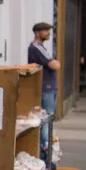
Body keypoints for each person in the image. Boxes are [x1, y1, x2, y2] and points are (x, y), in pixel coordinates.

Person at [27, 22, 60, 158]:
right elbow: (54, 65)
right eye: (45, 30)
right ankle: (45, 149)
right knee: (46, 118)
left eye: (48, 30)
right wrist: (56, 63)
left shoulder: (41, 47)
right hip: (46, 87)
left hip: (48, 86)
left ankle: (45, 148)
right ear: (37, 32)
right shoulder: (36, 48)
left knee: (47, 118)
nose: (48, 33)